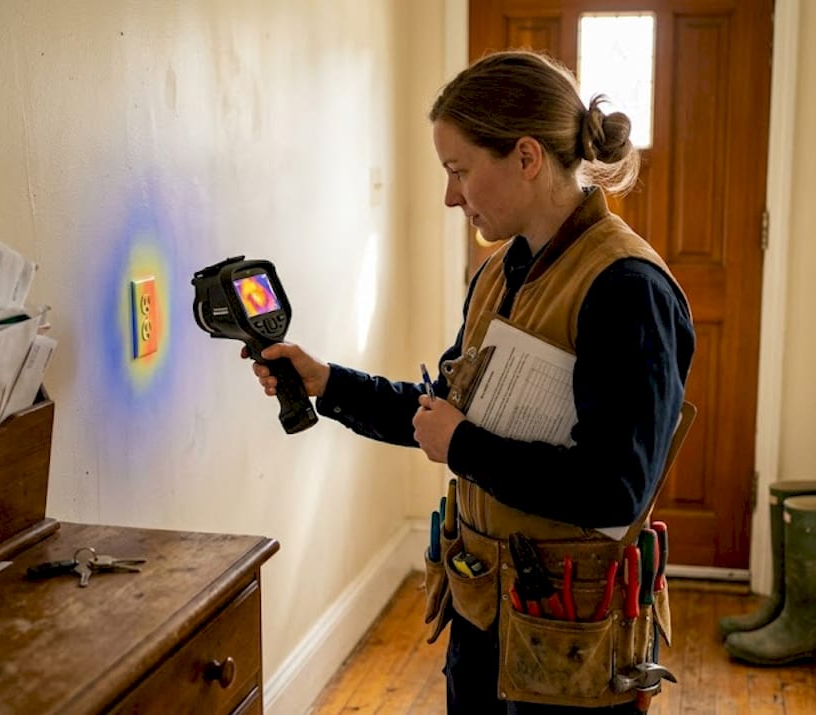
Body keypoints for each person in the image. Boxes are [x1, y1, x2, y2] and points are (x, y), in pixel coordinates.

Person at [246, 50, 694, 714]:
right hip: (483, 608)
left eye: (459, 170)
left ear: (525, 157)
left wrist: (463, 448)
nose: (450, 195)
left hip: (574, 636)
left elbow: (613, 488)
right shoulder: (496, 273)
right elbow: (442, 415)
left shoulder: (627, 288)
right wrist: (326, 382)